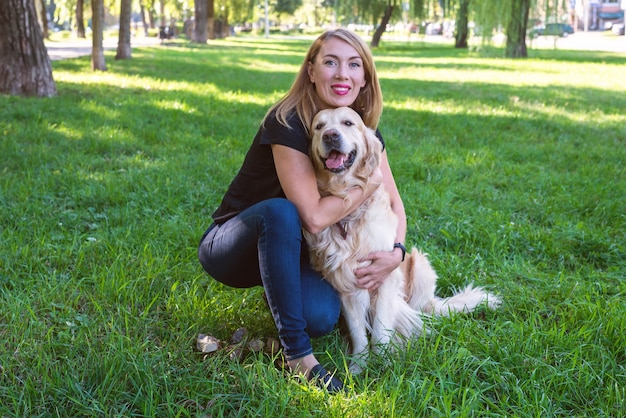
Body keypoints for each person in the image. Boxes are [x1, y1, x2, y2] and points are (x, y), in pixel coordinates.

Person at [198, 28, 407, 393]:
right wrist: (366, 185)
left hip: (298, 250)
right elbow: (312, 216)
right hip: (237, 244)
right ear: (311, 70)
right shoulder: (288, 122)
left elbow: (395, 204)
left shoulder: (360, 131)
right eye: (331, 62)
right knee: (281, 212)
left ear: (364, 78)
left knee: (320, 316)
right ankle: (298, 357)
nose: (343, 73)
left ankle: (282, 291)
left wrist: (397, 253)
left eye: (354, 65)